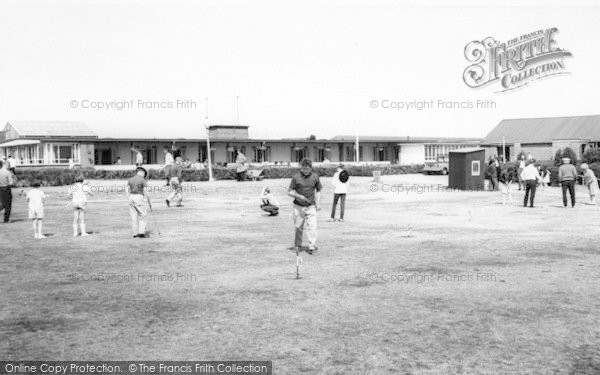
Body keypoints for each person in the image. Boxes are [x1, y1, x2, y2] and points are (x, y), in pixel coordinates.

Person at [288, 158, 322, 254]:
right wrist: (298, 196)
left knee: (312, 226)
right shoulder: (296, 177)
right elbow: (289, 191)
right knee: (298, 226)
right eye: (303, 168)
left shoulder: (315, 177)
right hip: (298, 206)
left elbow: (318, 191)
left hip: (311, 206)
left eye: (307, 169)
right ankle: (298, 245)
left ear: (311, 168)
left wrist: (318, 203)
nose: (305, 171)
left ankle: (312, 246)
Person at [127, 167, 151, 238]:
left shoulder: (130, 179)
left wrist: (128, 198)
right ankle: (141, 232)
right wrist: (149, 202)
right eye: (144, 174)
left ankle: (135, 233)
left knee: (133, 216)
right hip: (139, 197)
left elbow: (127, 189)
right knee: (142, 215)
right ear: (142, 172)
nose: (144, 176)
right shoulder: (142, 180)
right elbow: (146, 192)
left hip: (131, 197)